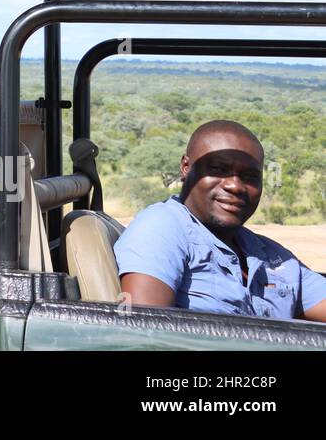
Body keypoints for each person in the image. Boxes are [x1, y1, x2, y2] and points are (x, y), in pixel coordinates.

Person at [115, 119, 326, 321]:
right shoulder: (163, 227)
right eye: (218, 169)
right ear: (186, 167)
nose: (235, 186)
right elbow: (143, 334)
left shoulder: (269, 255)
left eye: (250, 176)